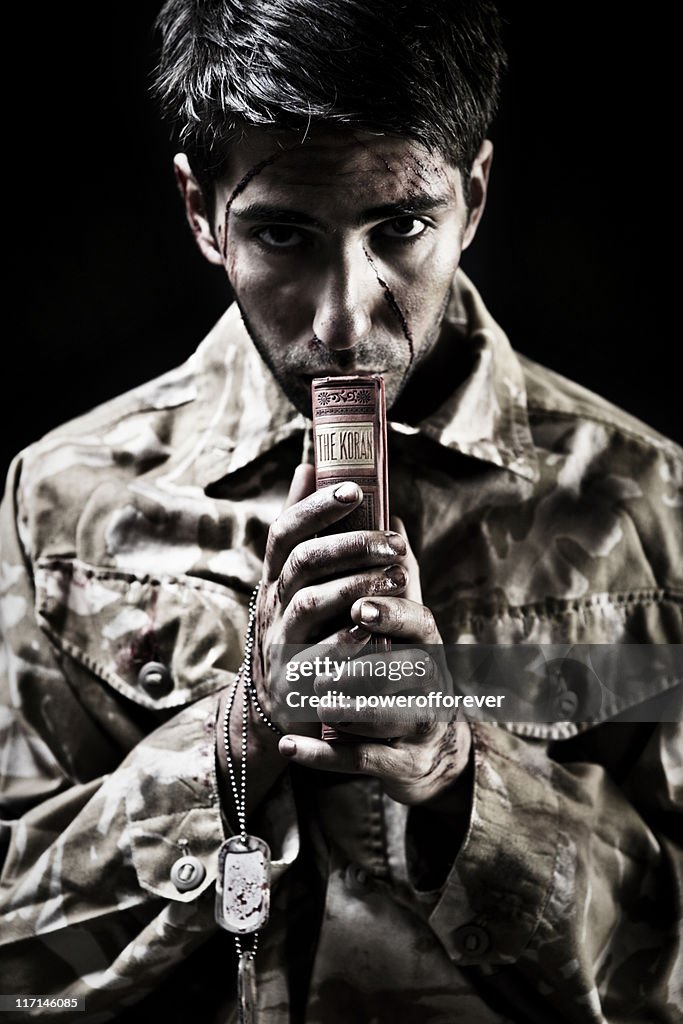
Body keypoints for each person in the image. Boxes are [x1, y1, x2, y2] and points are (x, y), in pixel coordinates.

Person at [1, 1, 681, 1021]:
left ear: (475, 197)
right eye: (283, 233)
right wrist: (242, 732)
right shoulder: (63, 499)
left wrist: (459, 776)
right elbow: (14, 953)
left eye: (399, 226)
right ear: (200, 213)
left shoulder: (645, 502)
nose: (343, 318)